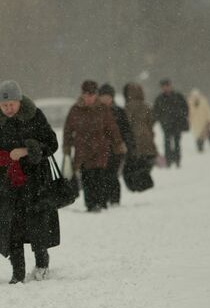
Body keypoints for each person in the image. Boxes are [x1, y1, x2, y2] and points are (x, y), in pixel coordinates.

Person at [0, 80, 59, 284]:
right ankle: (18, 273)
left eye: (11, 104)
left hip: (35, 182)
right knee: (12, 228)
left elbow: (52, 143)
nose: (8, 109)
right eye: (4, 106)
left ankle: (42, 265)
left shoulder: (35, 115)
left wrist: (28, 151)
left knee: (37, 225)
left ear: (19, 100)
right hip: (6, 185)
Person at [62, 80, 126, 212]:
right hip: (82, 151)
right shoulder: (75, 110)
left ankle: (101, 203)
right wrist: (67, 147)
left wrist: (117, 143)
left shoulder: (103, 109)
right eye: (87, 94)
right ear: (82, 94)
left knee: (100, 176)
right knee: (87, 177)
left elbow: (111, 128)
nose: (89, 97)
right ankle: (90, 204)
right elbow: (68, 130)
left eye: (92, 94)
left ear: (96, 94)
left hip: (100, 150)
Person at [98, 83, 134, 206]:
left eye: (107, 97)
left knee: (112, 175)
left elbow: (126, 130)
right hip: (100, 149)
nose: (105, 99)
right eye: (102, 96)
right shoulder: (96, 111)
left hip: (116, 148)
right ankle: (104, 198)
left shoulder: (119, 111)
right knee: (102, 175)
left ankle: (114, 199)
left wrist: (127, 144)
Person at [122, 82, 158, 191]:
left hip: (133, 140)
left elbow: (125, 124)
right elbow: (151, 122)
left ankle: (137, 185)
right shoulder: (147, 106)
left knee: (133, 164)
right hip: (147, 139)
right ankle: (144, 183)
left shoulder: (127, 107)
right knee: (144, 163)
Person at [153, 79, 189, 168]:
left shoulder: (178, 96)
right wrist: (159, 120)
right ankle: (168, 161)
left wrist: (182, 117)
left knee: (177, 143)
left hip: (177, 124)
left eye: (167, 86)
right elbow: (156, 112)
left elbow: (185, 108)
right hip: (166, 125)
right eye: (163, 87)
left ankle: (177, 160)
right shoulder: (159, 99)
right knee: (167, 143)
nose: (166, 88)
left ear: (170, 86)